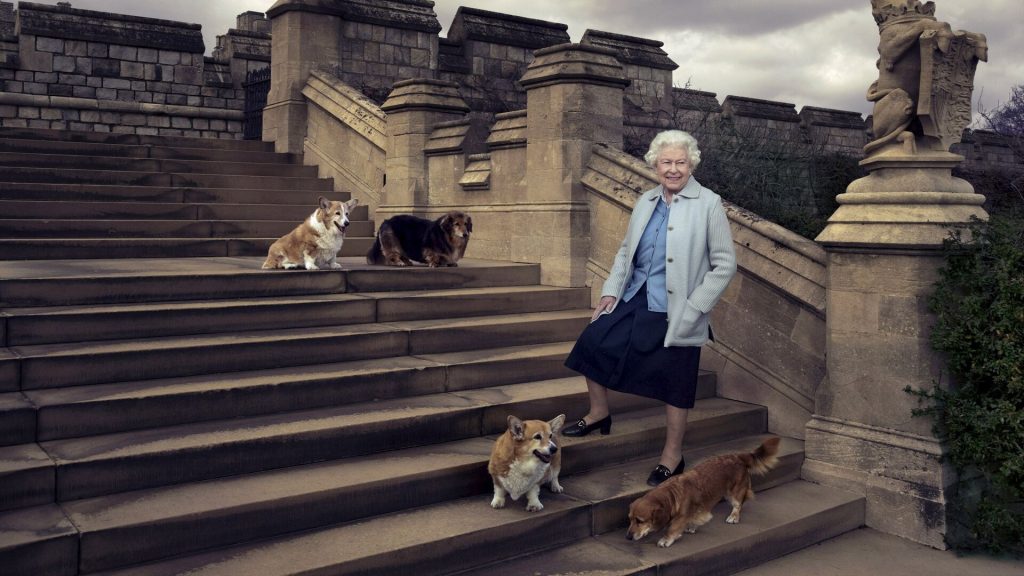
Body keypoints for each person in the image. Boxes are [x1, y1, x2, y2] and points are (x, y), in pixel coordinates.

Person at [562, 129, 737, 487]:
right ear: (655, 164)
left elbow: (724, 264)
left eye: (680, 162)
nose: (673, 169)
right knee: (593, 342)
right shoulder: (645, 201)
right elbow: (627, 251)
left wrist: (696, 307)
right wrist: (611, 291)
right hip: (637, 295)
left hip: (679, 308)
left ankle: (672, 456)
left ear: (691, 165)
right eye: (666, 162)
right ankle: (599, 414)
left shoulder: (708, 203)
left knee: (676, 381)